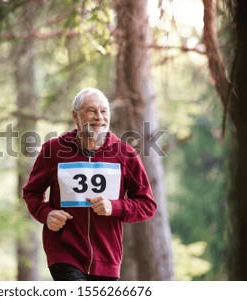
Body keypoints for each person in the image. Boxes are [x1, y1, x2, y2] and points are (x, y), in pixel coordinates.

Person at [22, 87, 157, 280]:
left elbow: (147, 204)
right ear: (75, 117)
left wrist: (115, 206)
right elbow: (32, 192)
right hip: (64, 253)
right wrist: (47, 214)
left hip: (107, 257)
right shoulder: (53, 151)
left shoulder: (125, 155)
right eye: (92, 111)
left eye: (104, 111)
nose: (99, 117)